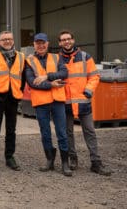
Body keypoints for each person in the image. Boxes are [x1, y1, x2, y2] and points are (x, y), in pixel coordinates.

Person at [58, 30, 111, 176]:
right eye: (63, 40)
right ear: (59, 43)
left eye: (69, 39)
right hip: (65, 103)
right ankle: (72, 158)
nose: (66, 41)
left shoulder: (85, 56)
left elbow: (94, 76)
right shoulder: (57, 59)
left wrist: (88, 91)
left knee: (90, 131)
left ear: (73, 40)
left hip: (83, 102)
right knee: (68, 133)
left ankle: (95, 162)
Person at [25, 32, 72, 177]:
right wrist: (51, 84)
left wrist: (46, 77)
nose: (40, 45)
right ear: (34, 44)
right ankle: (49, 160)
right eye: (38, 43)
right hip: (41, 103)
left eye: (43, 42)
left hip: (57, 102)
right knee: (45, 133)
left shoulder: (56, 57)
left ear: (47, 44)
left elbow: (64, 73)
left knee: (62, 133)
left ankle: (65, 163)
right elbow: (32, 82)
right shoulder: (29, 60)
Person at [0, 31, 25, 172]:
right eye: (4, 39)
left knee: (11, 130)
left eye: (9, 39)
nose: (7, 41)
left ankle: (9, 157)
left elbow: (23, 77)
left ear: (13, 41)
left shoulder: (20, 56)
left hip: (13, 98)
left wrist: (19, 92)